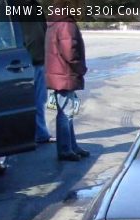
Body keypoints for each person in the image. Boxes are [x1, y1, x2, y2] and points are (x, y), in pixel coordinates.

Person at [45, 3, 89, 161]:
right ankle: (65, 149)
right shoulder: (66, 24)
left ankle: (71, 146)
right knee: (65, 114)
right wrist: (80, 68)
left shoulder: (55, 22)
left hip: (59, 74)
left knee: (67, 112)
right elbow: (70, 51)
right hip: (65, 74)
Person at [17, 1, 52, 144]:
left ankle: (41, 134)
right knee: (27, 101)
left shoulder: (35, 4)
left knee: (41, 100)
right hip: (25, 63)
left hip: (41, 61)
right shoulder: (10, 6)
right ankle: (31, 134)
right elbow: (6, 34)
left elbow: (45, 30)